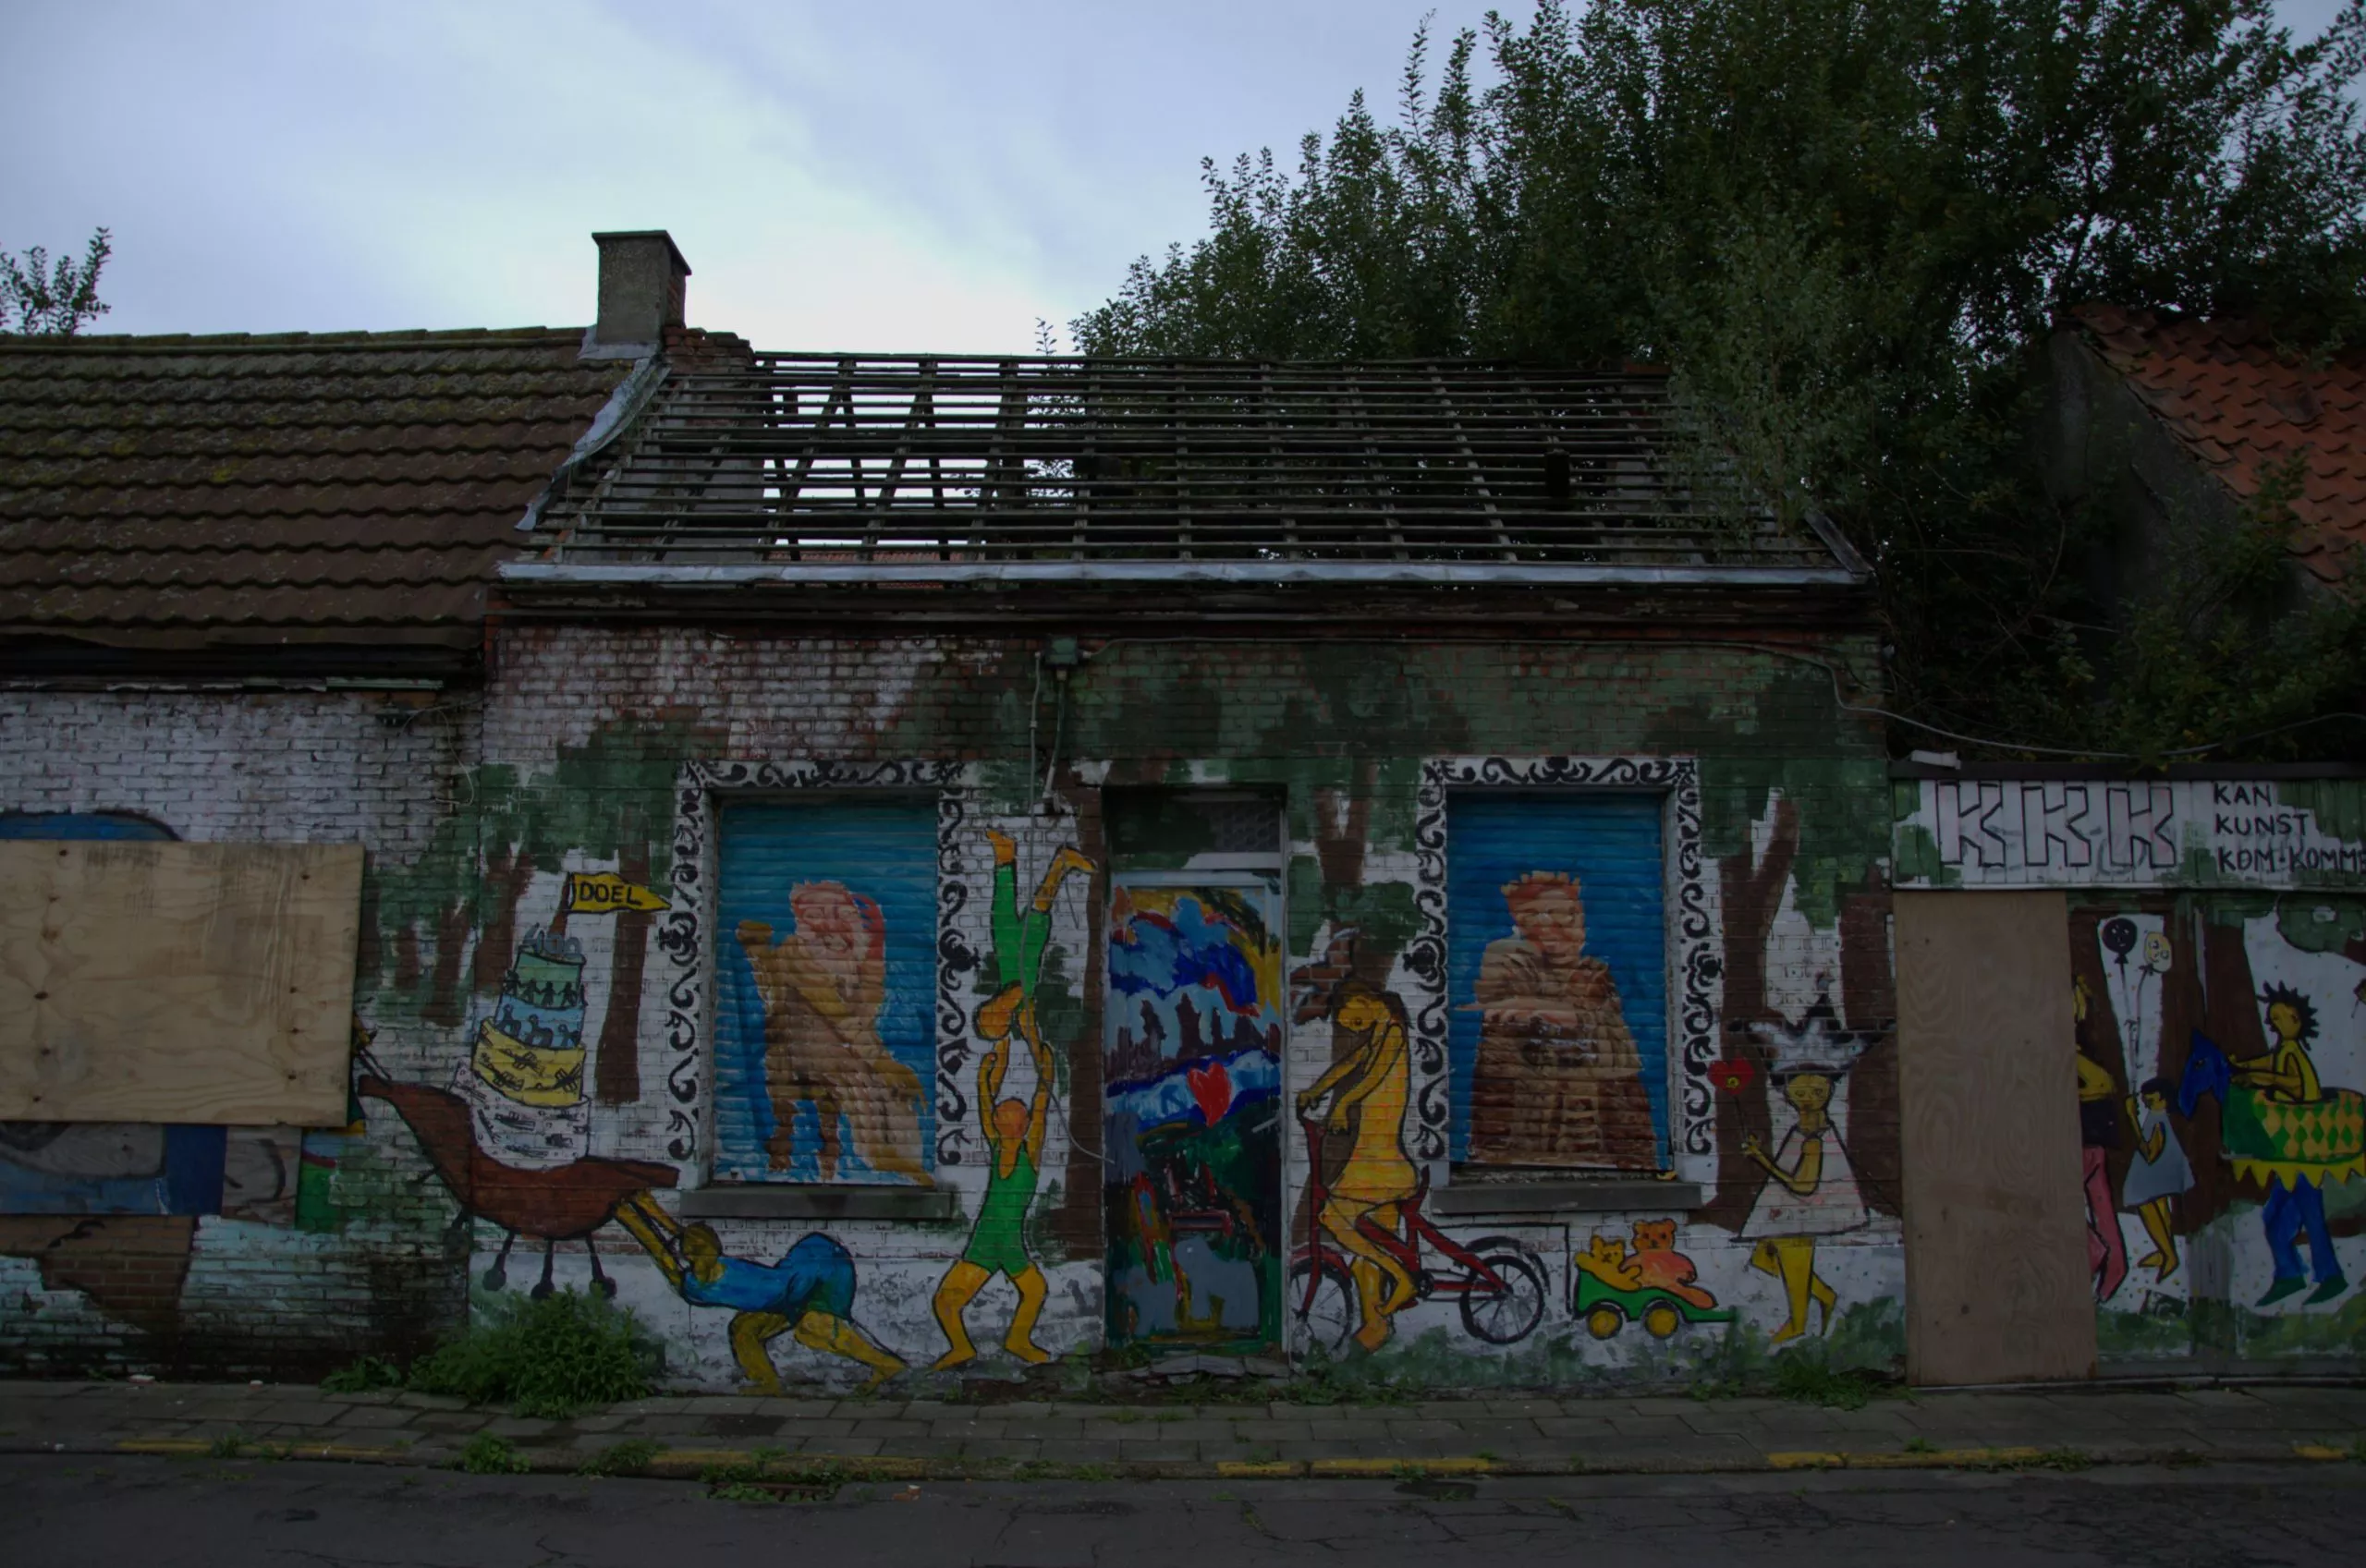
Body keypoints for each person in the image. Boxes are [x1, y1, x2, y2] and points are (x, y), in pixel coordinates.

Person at [930, 829, 1092, 1368]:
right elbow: (986, 1099)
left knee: (1015, 927)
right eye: (1006, 1112)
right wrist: (998, 1069)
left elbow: (1040, 1102)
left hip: (998, 1242)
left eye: (1014, 1112)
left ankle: (1016, 860)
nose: (1010, 1114)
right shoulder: (1005, 1142)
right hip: (991, 1243)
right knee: (952, 1300)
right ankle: (961, 1347)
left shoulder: (1025, 1145)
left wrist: (1028, 1066)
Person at [612, 1192, 905, 1392]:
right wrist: (635, 1211)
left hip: (821, 1268)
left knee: (811, 1327)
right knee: (744, 1328)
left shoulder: (696, 1281)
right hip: (795, 1280)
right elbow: (673, 1242)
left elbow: (668, 1244)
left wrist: (635, 1213)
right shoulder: (702, 1275)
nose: (694, 1256)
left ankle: (887, 1365)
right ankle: (767, 1384)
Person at [1464, 871, 1657, 1168]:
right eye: (1542, 917)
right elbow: (1495, 1092)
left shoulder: (1595, 976)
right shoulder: (1510, 963)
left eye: (1570, 916)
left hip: (1595, 1145)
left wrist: (1639, 1162)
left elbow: (1622, 1081)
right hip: (1526, 1144)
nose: (1563, 928)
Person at [737, 881, 924, 1181]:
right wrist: (882, 1063)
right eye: (817, 914)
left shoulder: (849, 961)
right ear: (801, 921)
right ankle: (883, 1160)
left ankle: (900, 1165)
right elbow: (839, 1016)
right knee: (869, 1083)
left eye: (841, 912)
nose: (831, 922)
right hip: (802, 1053)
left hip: (841, 1050)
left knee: (890, 1087)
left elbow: (863, 1015)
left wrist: (874, 952)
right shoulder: (798, 955)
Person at [1296, 984, 1420, 1353]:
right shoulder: (1379, 1034)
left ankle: (1403, 1277)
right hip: (1372, 1158)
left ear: (1366, 1000)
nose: (1351, 1026)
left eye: (1351, 1017)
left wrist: (1341, 1105)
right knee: (1368, 1259)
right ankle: (1375, 1328)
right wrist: (1316, 1089)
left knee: (1332, 1217)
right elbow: (1351, 1064)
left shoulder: (1394, 1031)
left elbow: (1371, 1077)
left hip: (1382, 1163)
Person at [1739, 1068, 1866, 1343]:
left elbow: (1803, 1187)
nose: (1808, 1099)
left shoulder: (1814, 1139)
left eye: (1817, 1092)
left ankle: (1797, 1324)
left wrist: (1761, 1159)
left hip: (1805, 1213)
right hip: (1789, 1211)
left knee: (1794, 1261)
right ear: (1788, 1095)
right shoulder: (1803, 1129)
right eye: (1800, 1093)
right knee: (1764, 1257)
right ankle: (1825, 1296)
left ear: (1830, 1094)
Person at [2120, 1077, 2192, 1282]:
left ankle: (2169, 1255)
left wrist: (2132, 1118)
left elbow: (2149, 1154)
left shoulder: (2158, 1121)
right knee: (2160, 1207)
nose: (2144, 1099)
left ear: (2162, 1098)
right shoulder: (2157, 1116)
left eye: (2149, 1096)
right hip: (2158, 1172)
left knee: (2147, 1207)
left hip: (2153, 1172)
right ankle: (2164, 1251)